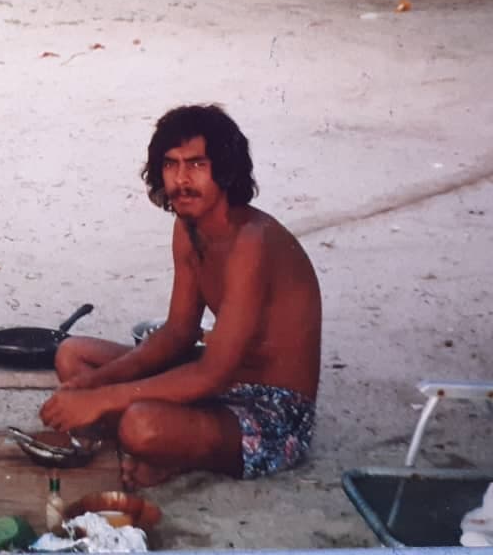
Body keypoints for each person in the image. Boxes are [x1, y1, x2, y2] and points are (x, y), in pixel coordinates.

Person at [40, 104, 321, 488]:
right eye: (171, 165)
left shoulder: (252, 242)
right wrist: (94, 384)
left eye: (196, 164)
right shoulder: (189, 228)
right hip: (216, 386)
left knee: (142, 425)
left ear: (225, 169)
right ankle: (170, 446)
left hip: (272, 411)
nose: (181, 179)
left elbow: (213, 373)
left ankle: (174, 454)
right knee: (73, 355)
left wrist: (102, 400)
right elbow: (177, 334)